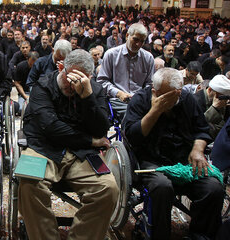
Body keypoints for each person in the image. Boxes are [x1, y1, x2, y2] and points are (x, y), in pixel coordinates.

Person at [18, 49, 118, 240]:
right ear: (61, 67)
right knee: (29, 184)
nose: (72, 86)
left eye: (79, 80)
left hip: (81, 154)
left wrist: (87, 97)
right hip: (44, 148)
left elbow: (101, 130)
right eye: (70, 78)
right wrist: (89, 140)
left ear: (89, 77)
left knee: (108, 189)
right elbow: (51, 127)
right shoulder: (43, 86)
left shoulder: (94, 89)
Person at [123, 68, 224, 240]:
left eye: (176, 95)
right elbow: (133, 137)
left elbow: (201, 129)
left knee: (213, 187)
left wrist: (198, 149)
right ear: (155, 91)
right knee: (162, 186)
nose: (173, 100)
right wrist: (155, 110)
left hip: (183, 160)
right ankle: (160, 234)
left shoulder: (185, 99)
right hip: (151, 161)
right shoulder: (140, 99)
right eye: (167, 96)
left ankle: (200, 235)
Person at [97, 23, 154, 121]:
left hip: (140, 100)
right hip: (118, 101)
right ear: (127, 35)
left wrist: (141, 95)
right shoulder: (111, 54)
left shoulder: (148, 58)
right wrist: (118, 93)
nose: (138, 44)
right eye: (135, 39)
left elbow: (150, 83)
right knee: (134, 117)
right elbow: (102, 81)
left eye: (142, 41)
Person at [194, 74, 230, 139]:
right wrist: (214, 108)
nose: (223, 100)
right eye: (220, 96)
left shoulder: (223, 101)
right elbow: (197, 124)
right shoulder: (195, 100)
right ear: (210, 90)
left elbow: (223, 127)